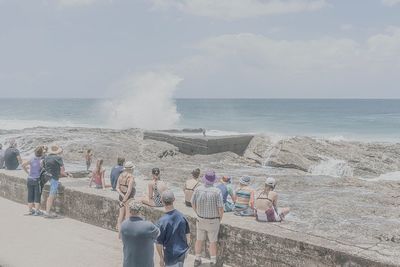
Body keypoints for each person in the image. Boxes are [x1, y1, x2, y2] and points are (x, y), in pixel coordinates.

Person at [191, 170, 224, 267]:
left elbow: (192, 203)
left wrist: (197, 212)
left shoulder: (198, 189)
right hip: (213, 220)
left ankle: (197, 259)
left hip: (200, 219)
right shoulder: (217, 191)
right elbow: (221, 208)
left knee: (199, 239)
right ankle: (213, 261)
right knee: (213, 241)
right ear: (214, 180)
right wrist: (219, 219)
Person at [156, 191, 190, 267]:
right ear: (174, 200)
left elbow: (159, 243)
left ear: (162, 201)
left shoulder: (162, 221)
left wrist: (161, 258)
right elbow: (188, 235)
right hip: (182, 252)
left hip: (169, 254)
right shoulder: (183, 217)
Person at [120, 202, 160, 267]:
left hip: (128, 264)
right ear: (141, 211)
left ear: (129, 211)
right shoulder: (148, 226)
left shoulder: (123, 225)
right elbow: (158, 234)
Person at [43, 144, 65, 218]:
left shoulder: (47, 157)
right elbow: (62, 170)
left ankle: (48, 211)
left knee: (51, 193)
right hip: (54, 177)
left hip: (48, 176)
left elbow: (43, 166)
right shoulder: (58, 158)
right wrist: (66, 174)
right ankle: (47, 212)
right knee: (51, 195)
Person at [22, 146, 44, 216]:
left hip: (30, 179)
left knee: (30, 195)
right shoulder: (41, 160)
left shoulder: (31, 159)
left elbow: (23, 165)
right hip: (37, 180)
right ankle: (37, 211)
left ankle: (30, 210)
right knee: (37, 195)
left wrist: (27, 172)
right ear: (41, 153)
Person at [117, 161, 136, 232]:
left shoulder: (120, 175)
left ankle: (119, 233)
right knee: (127, 217)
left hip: (121, 197)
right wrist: (124, 200)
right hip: (128, 199)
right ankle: (126, 234)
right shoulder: (131, 178)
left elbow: (117, 188)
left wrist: (122, 195)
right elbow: (129, 191)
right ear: (131, 169)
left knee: (120, 217)